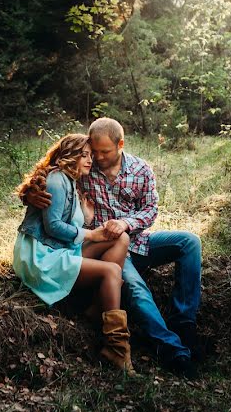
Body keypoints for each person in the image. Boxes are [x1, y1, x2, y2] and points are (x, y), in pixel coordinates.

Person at [23, 118, 203, 378]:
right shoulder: (84, 167)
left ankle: (184, 324)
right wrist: (29, 194)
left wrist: (126, 223)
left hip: (137, 240)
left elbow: (151, 210)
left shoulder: (141, 170)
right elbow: (50, 173)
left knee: (189, 242)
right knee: (138, 290)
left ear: (120, 144)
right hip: (104, 248)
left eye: (104, 152)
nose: (97, 157)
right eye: (93, 151)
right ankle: (172, 350)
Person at [12, 133, 134, 372]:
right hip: (41, 257)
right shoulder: (57, 179)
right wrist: (91, 234)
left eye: (90, 155)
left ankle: (96, 307)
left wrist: (86, 218)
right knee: (111, 271)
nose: (90, 160)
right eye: (84, 155)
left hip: (57, 249)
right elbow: (53, 226)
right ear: (69, 156)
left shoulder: (71, 180)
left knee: (121, 237)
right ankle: (117, 348)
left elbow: (65, 222)